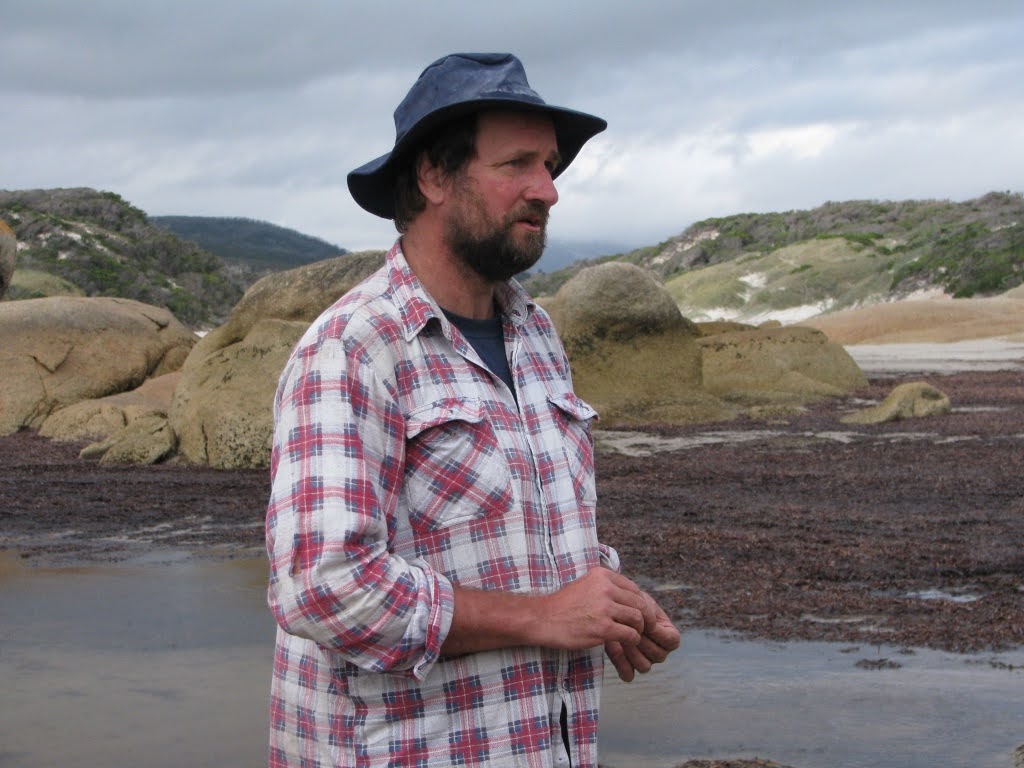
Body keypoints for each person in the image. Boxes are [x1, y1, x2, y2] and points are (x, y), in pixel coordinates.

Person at [265, 52, 680, 768]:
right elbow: (325, 589)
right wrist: (544, 616)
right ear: (433, 175)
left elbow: (522, 531)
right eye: (517, 163)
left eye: (550, 165)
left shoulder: (538, 336)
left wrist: (604, 596)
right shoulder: (354, 348)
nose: (547, 189)